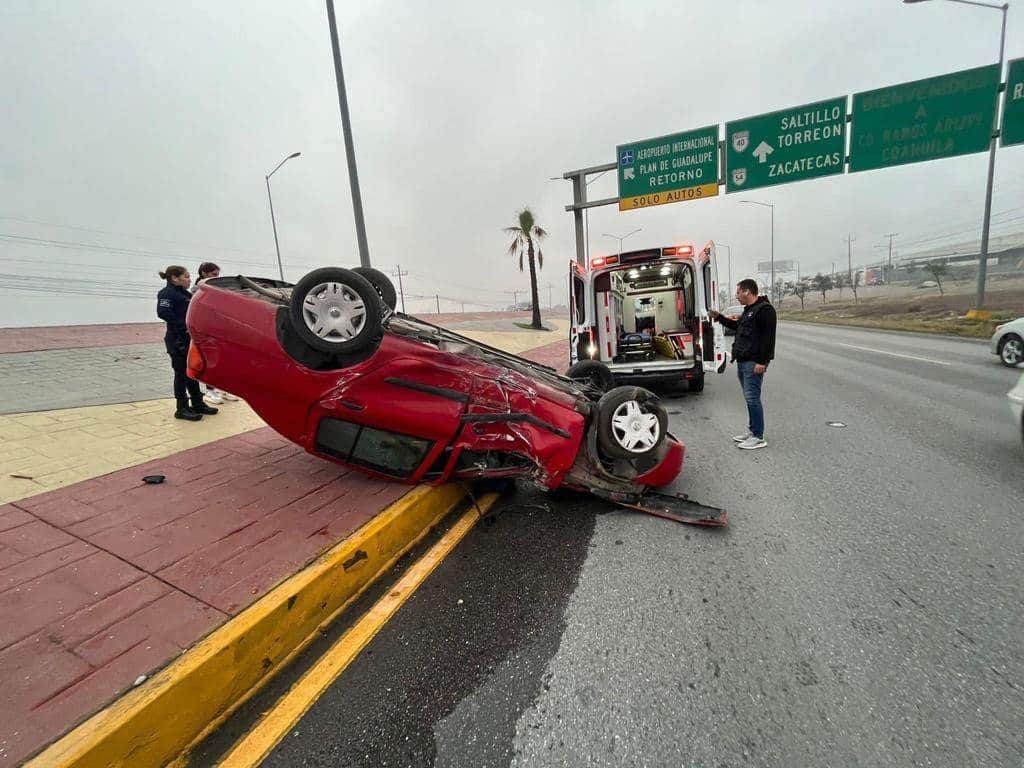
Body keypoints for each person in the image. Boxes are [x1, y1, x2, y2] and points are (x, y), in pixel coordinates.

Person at [711, 279, 776, 450]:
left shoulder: (764, 310)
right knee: (749, 398)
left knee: (753, 398)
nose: (737, 295)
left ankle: (758, 436)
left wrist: (762, 361)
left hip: (754, 362)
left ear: (747, 291)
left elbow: (768, 338)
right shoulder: (749, 311)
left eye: (738, 292)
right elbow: (736, 326)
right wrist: (719, 317)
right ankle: (752, 430)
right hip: (743, 360)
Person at [156, 266, 219, 421]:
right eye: (185, 276)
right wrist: (184, 326)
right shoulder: (167, 294)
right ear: (174, 278)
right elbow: (163, 313)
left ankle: (197, 402)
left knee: (192, 371)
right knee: (181, 374)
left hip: (189, 339)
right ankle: (181, 408)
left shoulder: (184, 294)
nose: (189, 279)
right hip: (177, 340)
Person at [192, 262, 237, 404]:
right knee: (209, 360)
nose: (216, 277)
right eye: (213, 275)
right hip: (205, 331)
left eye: (217, 275)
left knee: (222, 360)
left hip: (218, 330)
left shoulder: (214, 288)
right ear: (204, 273)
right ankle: (210, 391)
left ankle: (222, 388)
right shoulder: (198, 289)